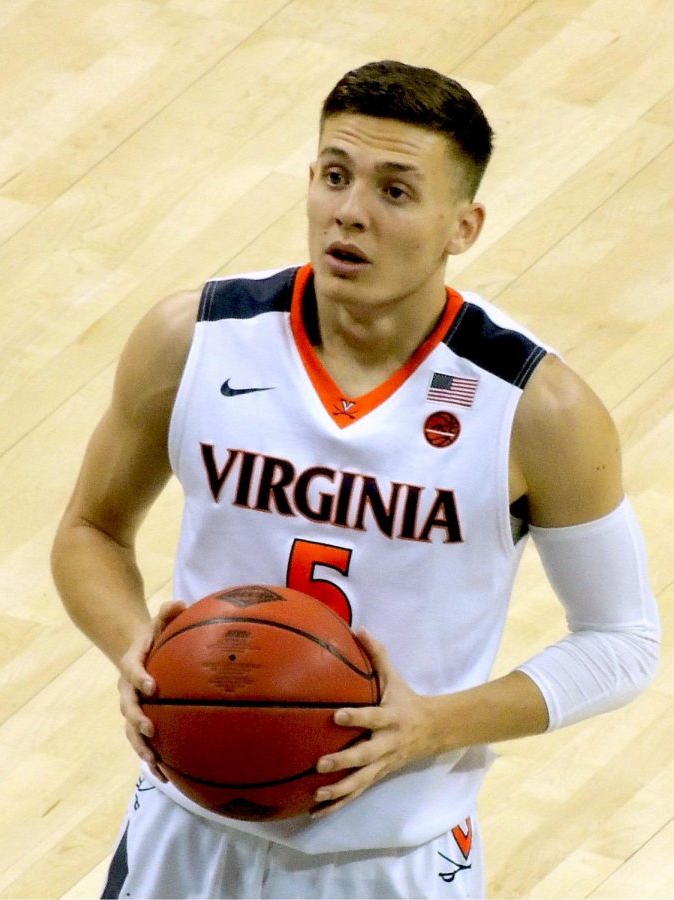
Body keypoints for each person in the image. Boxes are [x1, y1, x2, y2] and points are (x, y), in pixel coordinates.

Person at [51, 60, 660, 899]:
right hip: (186, 837)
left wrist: (428, 727)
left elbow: (621, 642)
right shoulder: (193, 340)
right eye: (335, 177)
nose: (350, 212)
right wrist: (141, 659)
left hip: (388, 862)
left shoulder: (534, 408)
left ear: (463, 225)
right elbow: (90, 531)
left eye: (395, 192)